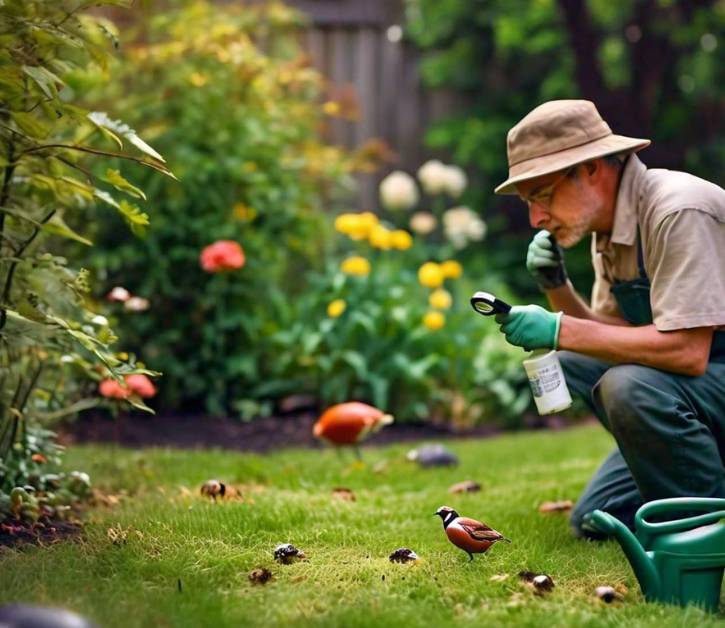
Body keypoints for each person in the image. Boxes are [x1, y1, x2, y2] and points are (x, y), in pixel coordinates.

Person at [493, 99, 725, 537]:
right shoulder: (610, 229)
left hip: (709, 372)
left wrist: (559, 329)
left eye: (541, 196)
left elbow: (689, 351)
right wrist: (556, 287)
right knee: (596, 518)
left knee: (626, 385)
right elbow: (615, 337)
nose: (536, 218)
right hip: (707, 391)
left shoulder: (677, 210)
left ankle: (702, 528)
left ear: (593, 168)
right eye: (528, 202)